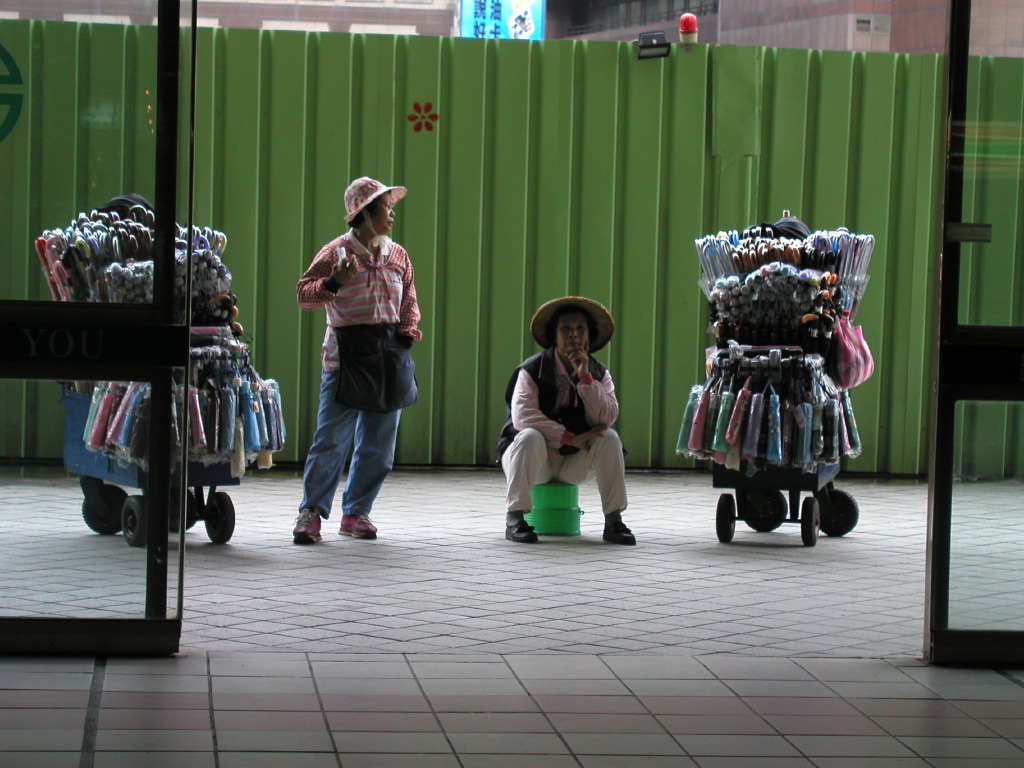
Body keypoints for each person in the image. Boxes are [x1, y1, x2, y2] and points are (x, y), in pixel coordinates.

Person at [292, 177, 422, 544]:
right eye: (386, 208)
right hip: (344, 361)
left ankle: (356, 513)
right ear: (363, 214)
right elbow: (305, 296)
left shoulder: (398, 255)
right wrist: (333, 282)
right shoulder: (336, 253)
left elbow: (409, 298)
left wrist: (409, 330)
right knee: (331, 440)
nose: (392, 214)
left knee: (379, 444)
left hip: (388, 358)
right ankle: (311, 513)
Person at [496, 296, 634, 545]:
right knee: (529, 435)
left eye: (580, 328)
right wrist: (568, 436)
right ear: (554, 335)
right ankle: (514, 518)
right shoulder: (531, 370)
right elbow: (523, 416)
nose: (573, 334)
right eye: (565, 328)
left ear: (588, 337)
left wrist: (586, 380)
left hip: (574, 462)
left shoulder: (599, 373)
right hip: (535, 461)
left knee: (609, 438)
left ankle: (614, 520)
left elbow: (606, 418)